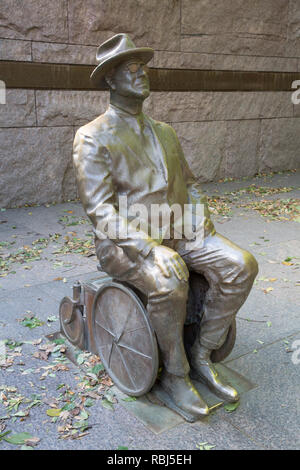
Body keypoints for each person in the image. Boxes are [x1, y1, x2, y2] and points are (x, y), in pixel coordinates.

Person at [73, 34, 258, 422]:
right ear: (110, 80)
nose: (142, 74)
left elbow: (189, 185)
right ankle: (175, 376)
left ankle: (202, 355)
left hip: (180, 231)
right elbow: (100, 210)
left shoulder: (166, 132)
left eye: (144, 67)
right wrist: (150, 248)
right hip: (126, 245)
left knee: (241, 264)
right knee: (168, 280)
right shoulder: (92, 136)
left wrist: (200, 219)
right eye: (131, 69)